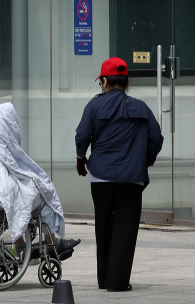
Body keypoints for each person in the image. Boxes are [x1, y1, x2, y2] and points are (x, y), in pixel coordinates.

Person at [75, 57, 164, 292]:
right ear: (126, 82)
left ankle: (104, 279)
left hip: (101, 177)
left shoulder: (94, 106)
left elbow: (82, 135)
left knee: (103, 226)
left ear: (104, 81)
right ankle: (118, 281)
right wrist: (143, 161)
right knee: (125, 228)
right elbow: (156, 139)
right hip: (131, 179)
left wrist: (80, 157)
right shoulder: (141, 107)